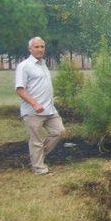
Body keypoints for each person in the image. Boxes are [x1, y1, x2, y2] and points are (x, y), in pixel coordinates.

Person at [15, 37, 66, 175]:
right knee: (36, 141)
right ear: (30, 49)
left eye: (42, 47)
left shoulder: (43, 64)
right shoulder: (24, 66)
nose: (40, 49)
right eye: (36, 47)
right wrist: (35, 103)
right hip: (33, 111)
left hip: (49, 109)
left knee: (59, 131)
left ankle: (36, 157)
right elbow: (20, 89)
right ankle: (39, 168)